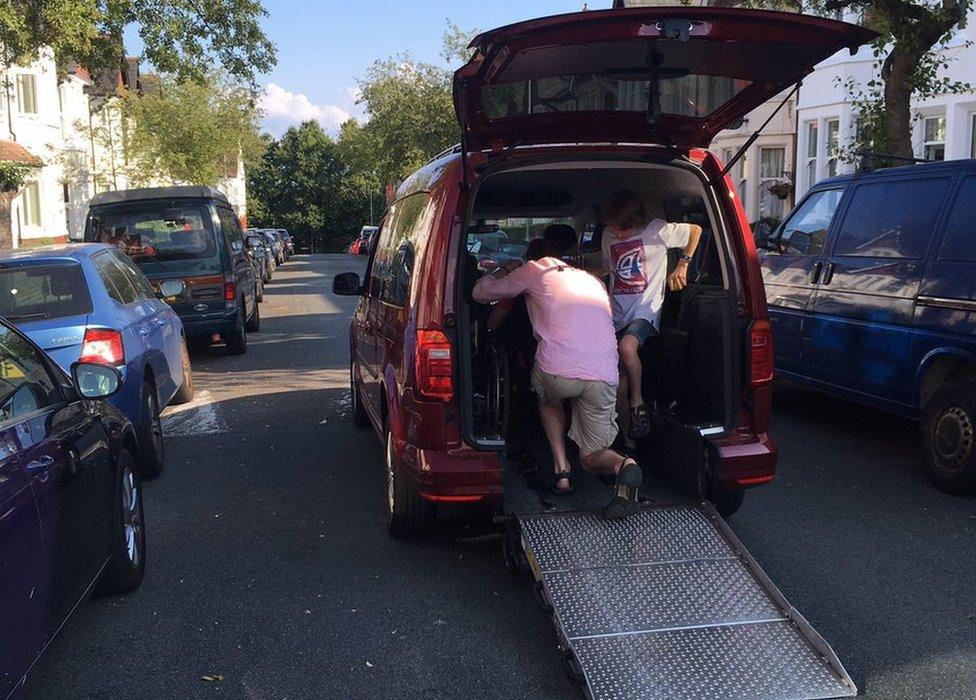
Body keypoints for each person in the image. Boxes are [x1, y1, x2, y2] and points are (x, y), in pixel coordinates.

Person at [473, 224, 642, 519]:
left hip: (557, 370)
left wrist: (503, 270)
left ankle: (562, 472)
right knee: (591, 456)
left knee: (548, 398)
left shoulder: (537, 270)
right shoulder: (593, 281)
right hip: (604, 371)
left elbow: (480, 293)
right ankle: (622, 465)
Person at [601, 190, 703, 450]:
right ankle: (627, 439)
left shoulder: (656, 230)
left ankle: (638, 402)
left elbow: (695, 231)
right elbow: (608, 269)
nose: (620, 234)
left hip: (645, 311)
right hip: (615, 313)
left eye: (625, 228)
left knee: (627, 348)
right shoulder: (607, 236)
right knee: (617, 384)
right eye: (615, 228)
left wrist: (683, 264)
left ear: (637, 220)